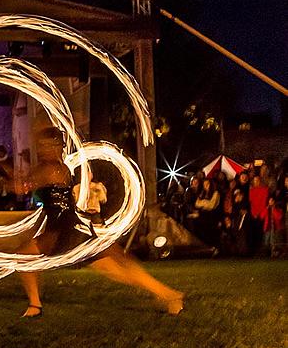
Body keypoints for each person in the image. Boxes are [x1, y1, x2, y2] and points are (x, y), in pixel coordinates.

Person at [16, 127, 183, 318]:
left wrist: (6, 171)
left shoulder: (49, 168)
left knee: (24, 255)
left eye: (45, 145)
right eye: (40, 146)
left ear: (56, 147)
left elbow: (22, 187)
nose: (41, 150)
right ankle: (169, 295)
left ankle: (35, 305)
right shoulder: (60, 166)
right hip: (69, 226)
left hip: (64, 230)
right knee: (116, 266)